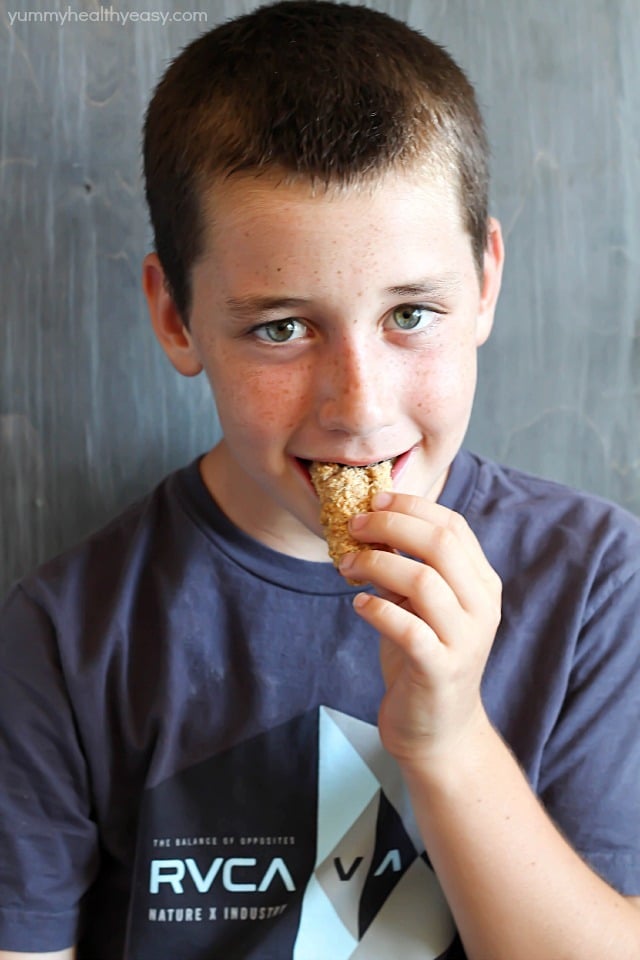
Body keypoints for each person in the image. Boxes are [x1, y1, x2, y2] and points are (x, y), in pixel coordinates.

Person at [1, 2, 639, 958]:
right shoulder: (66, 635)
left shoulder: (595, 582)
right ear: (177, 320)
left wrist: (449, 740)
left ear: (487, 283)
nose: (359, 405)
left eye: (412, 314)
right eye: (282, 328)